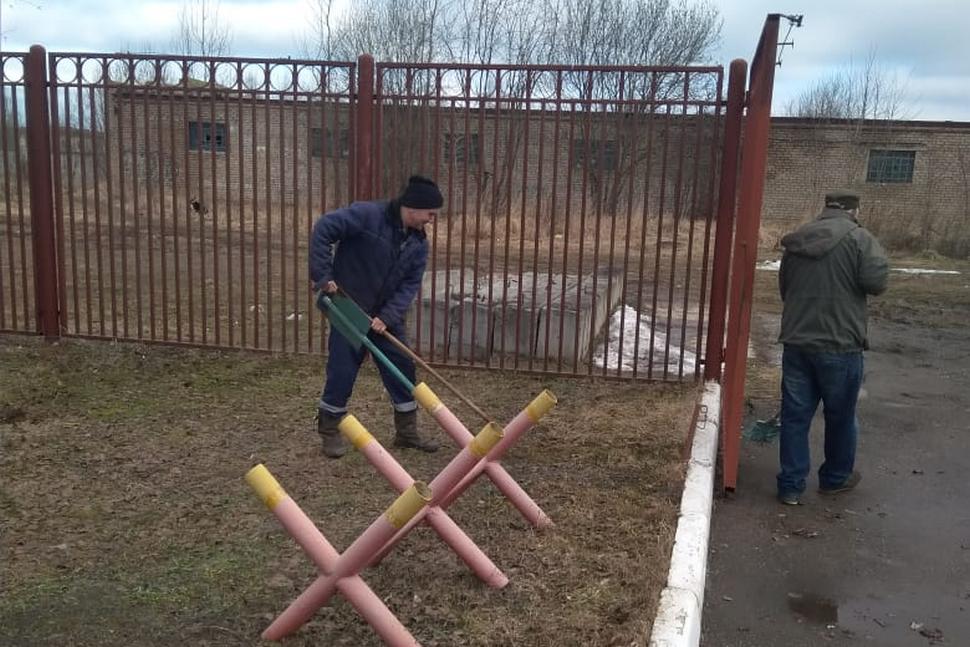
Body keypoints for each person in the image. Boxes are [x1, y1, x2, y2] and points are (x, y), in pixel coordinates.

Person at [309, 175, 443, 458]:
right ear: (413, 207)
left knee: (401, 370)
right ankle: (329, 429)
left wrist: (388, 316)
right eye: (430, 213)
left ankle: (407, 433)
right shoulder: (367, 216)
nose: (431, 220)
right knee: (343, 370)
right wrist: (323, 275)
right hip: (348, 307)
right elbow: (324, 228)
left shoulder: (418, 244)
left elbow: (409, 285)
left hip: (385, 316)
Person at [776, 190, 889, 505]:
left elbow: (785, 287)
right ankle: (835, 479)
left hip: (797, 341)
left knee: (795, 416)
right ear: (855, 211)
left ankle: (790, 486)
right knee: (840, 415)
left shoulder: (799, 239)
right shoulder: (860, 239)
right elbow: (877, 283)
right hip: (840, 343)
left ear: (825, 208)